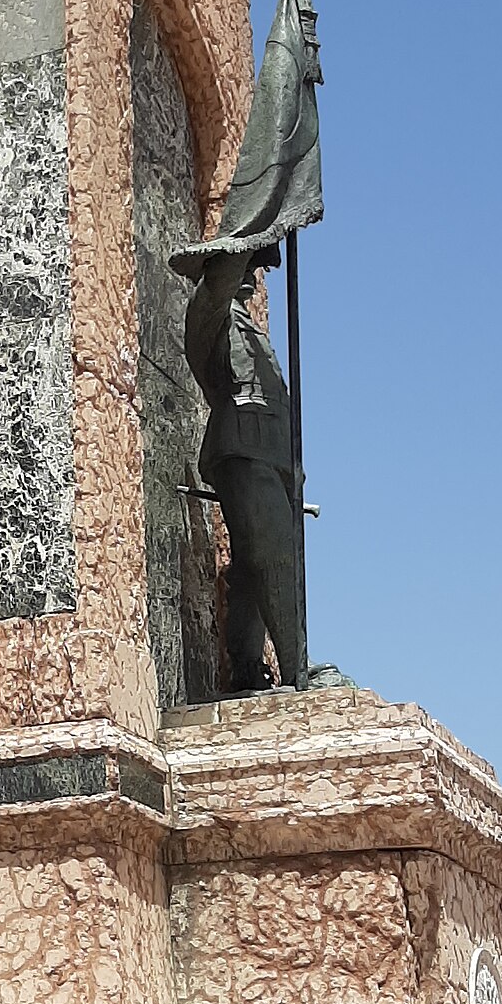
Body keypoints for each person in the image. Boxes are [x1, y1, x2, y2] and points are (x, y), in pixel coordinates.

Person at [181, 243, 306, 692]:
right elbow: (218, 284)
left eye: (255, 264)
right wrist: (247, 239)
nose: (253, 273)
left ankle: (248, 665)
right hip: (242, 446)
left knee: (254, 567)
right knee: (274, 555)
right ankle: (299, 669)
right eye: (245, 263)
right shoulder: (209, 312)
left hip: (273, 452)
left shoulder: (249, 328)